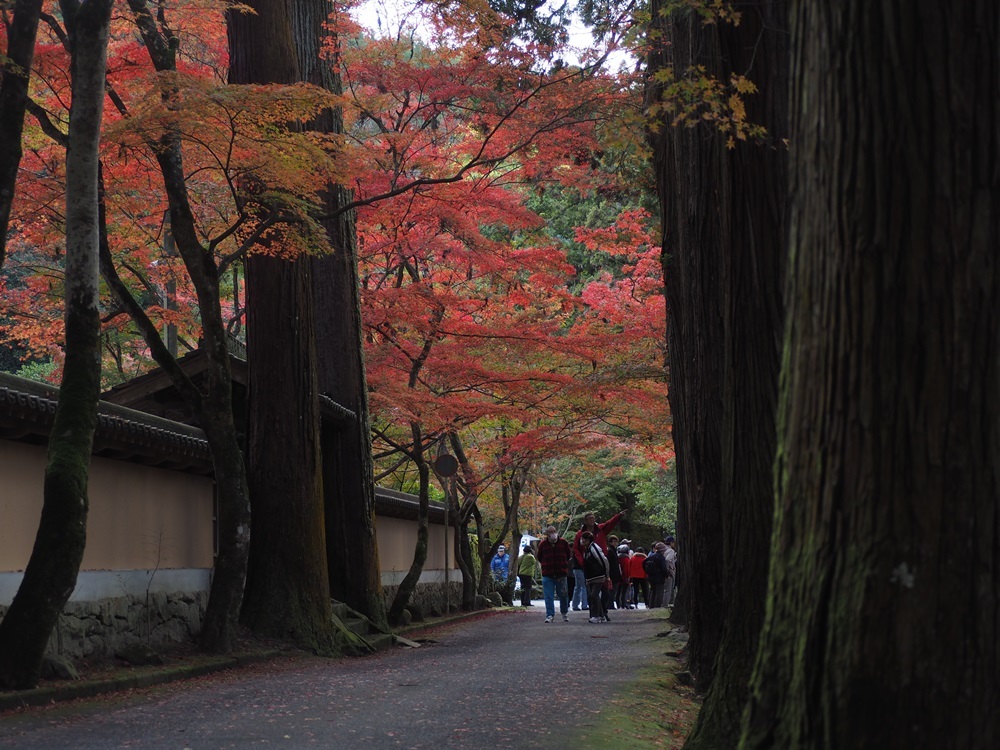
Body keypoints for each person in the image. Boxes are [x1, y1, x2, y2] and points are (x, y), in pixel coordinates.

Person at [573, 510, 625, 614]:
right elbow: (576, 549)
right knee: (591, 591)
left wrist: (618, 516)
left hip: (601, 563)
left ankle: (603, 610)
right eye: (589, 519)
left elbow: (610, 523)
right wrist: (582, 561)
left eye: (593, 518)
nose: (592, 520)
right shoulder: (580, 534)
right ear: (585, 521)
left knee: (605, 590)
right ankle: (594, 613)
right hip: (588, 565)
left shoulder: (600, 529)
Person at [535, 525, 572, 622]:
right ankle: (550, 615)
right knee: (548, 596)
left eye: (554, 531)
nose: (553, 534)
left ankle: (564, 613)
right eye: (550, 532)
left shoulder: (563, 543)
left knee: (563, 595)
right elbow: (539, 557)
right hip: (548, 574)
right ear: (547, 534)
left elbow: (569, 555)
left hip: (561, 573)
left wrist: (563, 565)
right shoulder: (543, 544)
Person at [579, 531, 610, 623]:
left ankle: (595, 615)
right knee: (593, 596)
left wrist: (606, 574)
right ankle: (601, 615)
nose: (581, 541)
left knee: (594, 595)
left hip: (598, 575)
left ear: (588, 540)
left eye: (583, 539)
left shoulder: (594, 548)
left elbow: (603, 560)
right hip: (590, 576)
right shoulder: (586, 549)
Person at [645, 542, 671, 608]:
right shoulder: (661, 557)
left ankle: (651, 605)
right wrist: (666, 575)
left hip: (651, 577)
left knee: (653, 592)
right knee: (659, 593)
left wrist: (647, 572)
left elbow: (644, 563)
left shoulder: (651, 556)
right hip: (659, 577)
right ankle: (657, 606)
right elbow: (663, 568)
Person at [606, 535, 622, 609]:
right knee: (611, 590)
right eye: (614, 541)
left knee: (613, 590)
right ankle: (609, 604)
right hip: (612, 573)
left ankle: (610, 603)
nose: (616, 543)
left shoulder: (613, 550)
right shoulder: (610, 551)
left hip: (615, 573)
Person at [663, 536, 677, 608]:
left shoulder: (663, 549)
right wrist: (670, 569)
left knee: (663, 590)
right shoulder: (671, 551)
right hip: (669, 573)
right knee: (668, 590)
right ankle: (665, 605)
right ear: (671, 542)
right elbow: (668, 560)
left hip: (661, 572)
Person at [616, 543, 632, 609]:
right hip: (624, 578)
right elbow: (627, 570)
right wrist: (628, 578)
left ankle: (618, 604)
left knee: (618, 592)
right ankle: (623, 605)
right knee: (624, 593)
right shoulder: (626, 559)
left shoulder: (617, 558)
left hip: (618, 577)